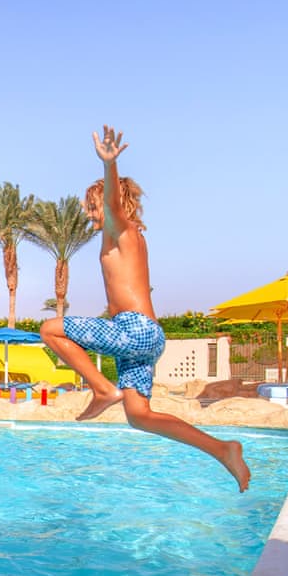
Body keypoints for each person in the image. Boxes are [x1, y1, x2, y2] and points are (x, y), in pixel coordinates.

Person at [39, 127, 252, 491]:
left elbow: (112, 205)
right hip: (143, 338)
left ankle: (102, 389)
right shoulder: (129, 238)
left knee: (50, 329)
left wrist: (109, 165)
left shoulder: (121, 231)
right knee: (139, 416)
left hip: (134, 330)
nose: (89, 214)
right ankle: (222, 450)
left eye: (92, 206)